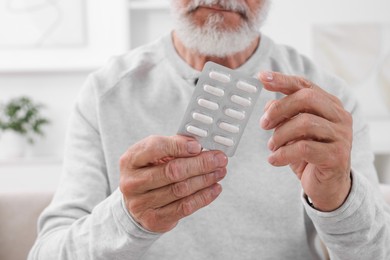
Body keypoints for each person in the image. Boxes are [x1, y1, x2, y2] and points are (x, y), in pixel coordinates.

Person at [29, 0, 390, 259]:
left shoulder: (326, 103)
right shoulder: (105, 94)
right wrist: (127, 218)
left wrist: (339, 199)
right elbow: (47, 253)